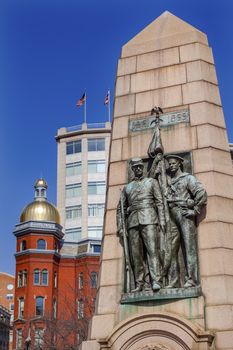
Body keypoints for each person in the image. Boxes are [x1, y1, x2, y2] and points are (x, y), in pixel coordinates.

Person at [117, 157, 165, 292]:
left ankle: (156, 280)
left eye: (140, 166)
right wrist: (121, 226)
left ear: (142, 168)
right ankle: (140, 283)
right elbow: (120, 209)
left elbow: (160, 202)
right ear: (132, 169)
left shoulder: (152, 182)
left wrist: (162, 219)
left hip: (149, 218)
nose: (138, 169)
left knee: (152, 251)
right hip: (133, 222)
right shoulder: (127, 187)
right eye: (135, 167)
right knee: (136, 255)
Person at [165, 155, 207, 288]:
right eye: (169, 164)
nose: (171, 165)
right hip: (171, 215)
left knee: (189, 248)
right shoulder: (169, 181)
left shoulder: (188, 178)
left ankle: (192, 280)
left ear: (179, 164)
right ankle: (174, 281)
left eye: (173, 163)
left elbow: (202, 193)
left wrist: (194, 210)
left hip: (184, 213)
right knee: (171, 249)